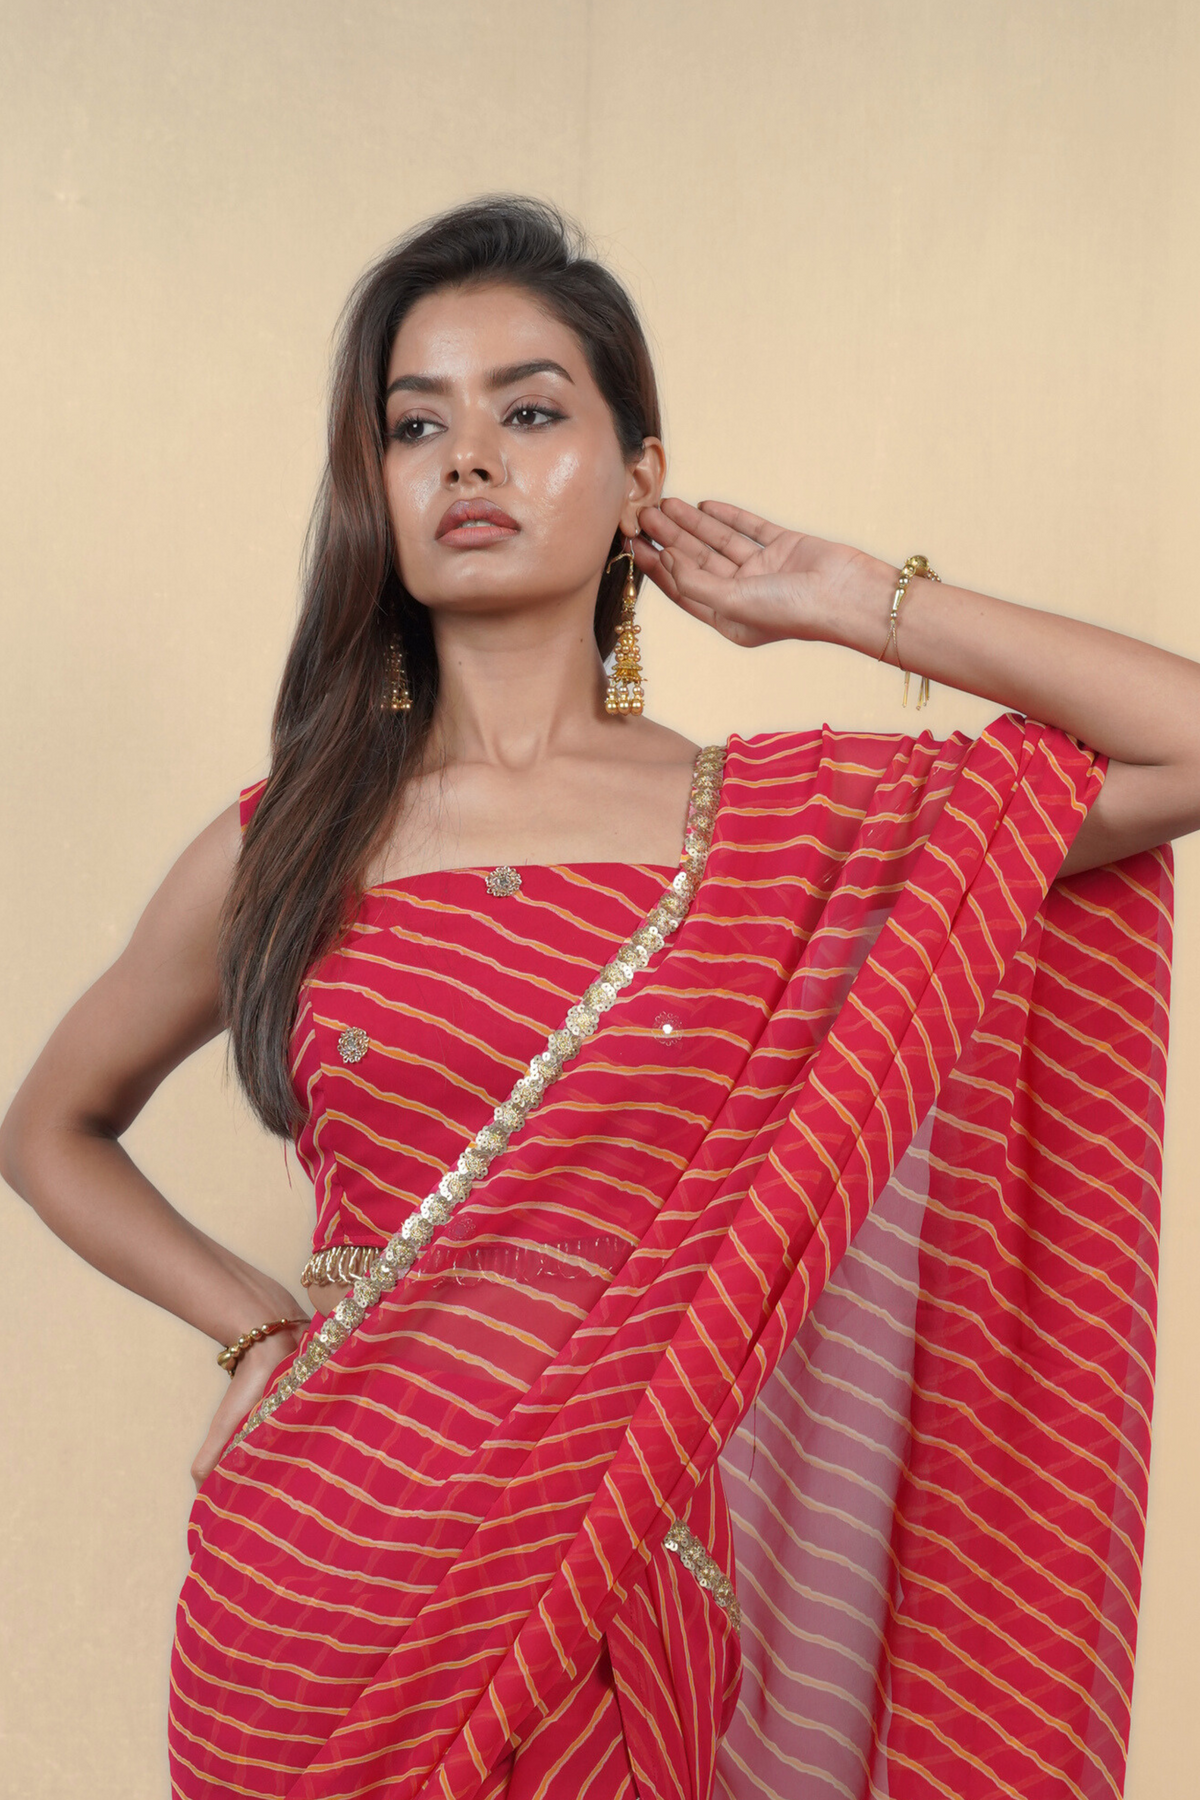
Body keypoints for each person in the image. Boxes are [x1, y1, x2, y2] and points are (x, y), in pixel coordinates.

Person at [0, 193, 1192, 1800]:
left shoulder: (783, 831)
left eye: (530, 412)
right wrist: (254, 1325)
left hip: (621, 1578)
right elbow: (49, 1127)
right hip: (313, 1585)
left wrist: (848, 596)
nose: (468, 460)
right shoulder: (285, 843)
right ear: (376, 486)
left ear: (642, 475)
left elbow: (1184, 745)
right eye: (416, 424)